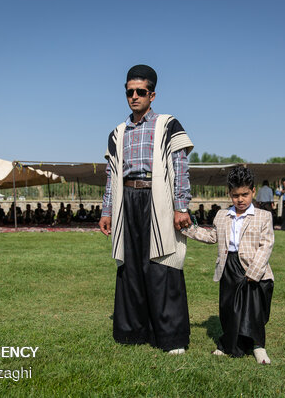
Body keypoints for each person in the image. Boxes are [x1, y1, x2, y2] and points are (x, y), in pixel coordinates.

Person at [98, 64, 193, 355]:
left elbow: (180, 168)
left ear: (152, 94)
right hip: (126, 199)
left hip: (158, 198)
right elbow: (110, 174)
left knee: (162, 264)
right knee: (130, 265)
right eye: (130, 92)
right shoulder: (118, 132)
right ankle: (132, 332)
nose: (134, 97)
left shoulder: (167, 124)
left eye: (140, 92)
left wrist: (181, 207)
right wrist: (106, 211)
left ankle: (171, 337)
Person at [182, 167, 274, 364]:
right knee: (229, 308)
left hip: (252, 269)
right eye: (235, 195)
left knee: (253, 310)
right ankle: (228, 344)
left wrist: (254, 271)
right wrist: (188, 229)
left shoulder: (263, 216)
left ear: (253, 192)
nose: (240, 200)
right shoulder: (222, 215)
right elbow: (212, 236)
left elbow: (266, 245)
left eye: (245, 195)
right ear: (229, 193)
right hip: (228, 267)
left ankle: (258, 346)